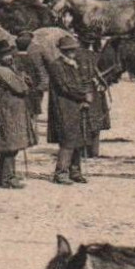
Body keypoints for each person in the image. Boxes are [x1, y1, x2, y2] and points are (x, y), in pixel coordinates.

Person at [46, 35, 93, 185]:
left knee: (78, 138)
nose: (72, 53)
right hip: (63, 106)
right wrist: (83, 95)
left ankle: (75, 171)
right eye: (69, 50)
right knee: (67, 140)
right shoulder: (56, 65)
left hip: (75, 105)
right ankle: (61, 173)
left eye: (73, 50)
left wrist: (85, 96)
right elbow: (64, 87)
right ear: (63, 51)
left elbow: (81, 82)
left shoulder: (74, 64)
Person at [0, 41, 35, 189]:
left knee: (11, 145)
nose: (9, 57)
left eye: (10, 54)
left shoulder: (4, 70)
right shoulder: (3, 72)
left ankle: (5, 176)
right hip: (9, 112)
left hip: (11, 111)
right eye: (5, 55)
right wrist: (23, 80)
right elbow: (21, 88)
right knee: (11, 145)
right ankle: (7, 178)